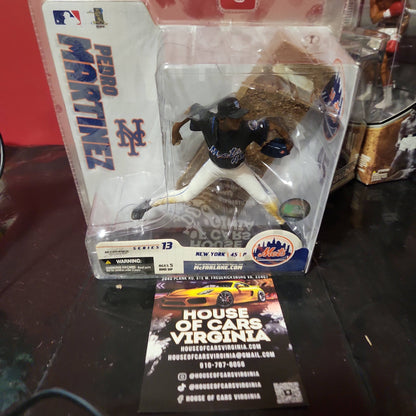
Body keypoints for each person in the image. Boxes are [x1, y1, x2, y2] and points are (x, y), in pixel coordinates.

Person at [131, 97, 293, 228]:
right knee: (186, 195)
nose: (239, 120)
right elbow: (190, 110)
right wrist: (175, 131)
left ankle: (283, 224)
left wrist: (288, 141)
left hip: (238, 169)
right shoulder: (208, 121)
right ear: (221, 119)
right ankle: (149, 204)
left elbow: (273, 123)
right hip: (213, 167)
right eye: (234, 117)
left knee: (265, 199)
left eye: (240, 115)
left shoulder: (248, 127)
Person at [369, 0, 409, 109]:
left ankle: (388, 99)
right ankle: (370, 91)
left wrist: (398, 35)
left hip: (393, 29)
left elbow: (406, 16)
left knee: (383, 65)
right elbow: (373, 19)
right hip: (380, 29)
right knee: (371, 62)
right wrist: (388, 12)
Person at [389, 105, 416, 177]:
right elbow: (401, 132)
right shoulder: (404, 122)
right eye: (412, 112)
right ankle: (390, 172)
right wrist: (398, 141)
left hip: (414, 138)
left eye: (415, 113)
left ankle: (407, 174)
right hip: (405, 139)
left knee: (411, 155)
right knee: (398, 156)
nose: (413, 114)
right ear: (410, 112)